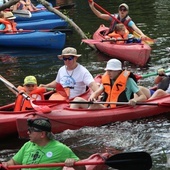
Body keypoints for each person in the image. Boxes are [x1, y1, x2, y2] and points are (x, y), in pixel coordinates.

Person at [1, 118, 85, 170]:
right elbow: (14, 162)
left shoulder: (60, 148)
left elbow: (82, 168)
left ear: (42, 134)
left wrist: (74, 163)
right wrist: (6, 164)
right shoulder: (28, 145)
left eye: (30, 131)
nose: (28, 132)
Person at [70, 59, 147, 109]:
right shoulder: (107, 79)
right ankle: (71, 118)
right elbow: (96, 93)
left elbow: (143, 97)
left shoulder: (129, 81)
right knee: (77, 100)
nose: (108, 73)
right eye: (108, 70)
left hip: (118, 108)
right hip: (106, 107)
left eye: (111, 71)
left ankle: (82, 118)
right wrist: (92, 97)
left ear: (119, 71)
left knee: (95, 105)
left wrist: (135, 100)